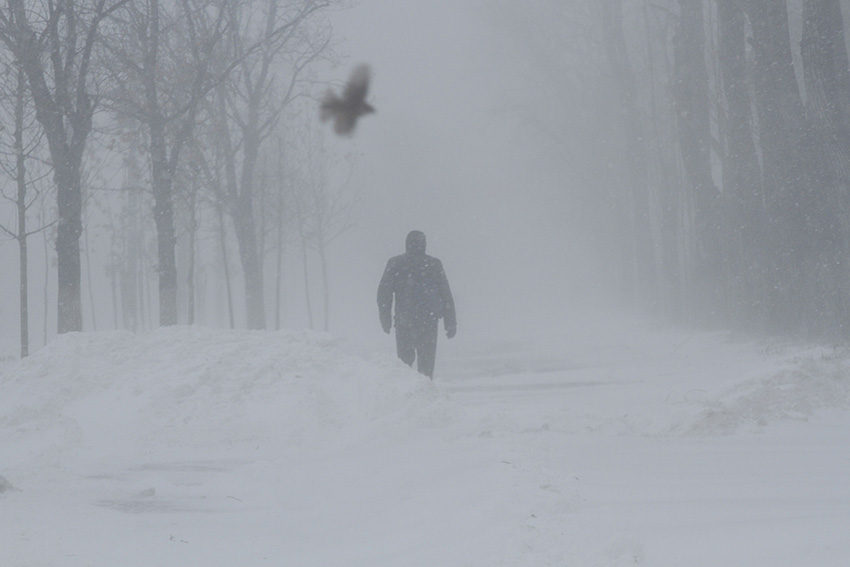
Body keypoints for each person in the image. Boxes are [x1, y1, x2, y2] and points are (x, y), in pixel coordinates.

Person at [377, 230, 456, 378]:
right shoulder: (433, 264)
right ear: (424, 245)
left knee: (404, 366)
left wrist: (385, 317)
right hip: (428, 322)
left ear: (406, 244)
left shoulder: (396, 263)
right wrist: (450, 323)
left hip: (404, 321)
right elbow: (446, 295)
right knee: (426, 368)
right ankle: (424, 396)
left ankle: (406, 396)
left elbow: (384, 294)